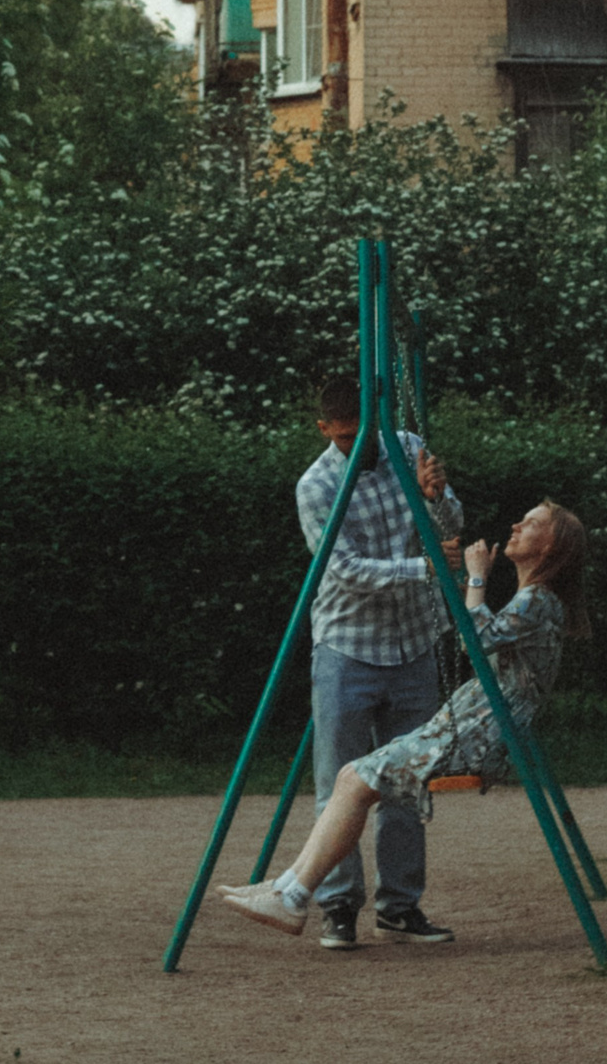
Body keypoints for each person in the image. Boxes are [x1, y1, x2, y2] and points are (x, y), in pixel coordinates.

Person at [222, 501, 588, 941]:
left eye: (529, 524)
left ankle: (294, 895)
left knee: (355, 778)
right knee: (349, 775)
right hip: (472, 725)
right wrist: (464, 576)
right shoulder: (536, 599)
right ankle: (288, 889)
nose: (515, 525)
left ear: (550, 546)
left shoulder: (538, 600)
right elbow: (481, 631)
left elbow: (475, 642)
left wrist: (475, 577)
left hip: (481, 734)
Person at [292, 372, 463, 950]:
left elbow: (450, 527)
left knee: (408, 782)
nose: (356, 449)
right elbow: (345, 571)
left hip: (413, 640)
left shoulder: (408, 448)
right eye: (342, 439)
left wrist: (435, 498)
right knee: (336, 780)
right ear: (324, 431)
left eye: (362, 437)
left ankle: (400, 906)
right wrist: (428, 569)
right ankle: (338, 905)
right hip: (348, 645)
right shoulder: (315, 487)